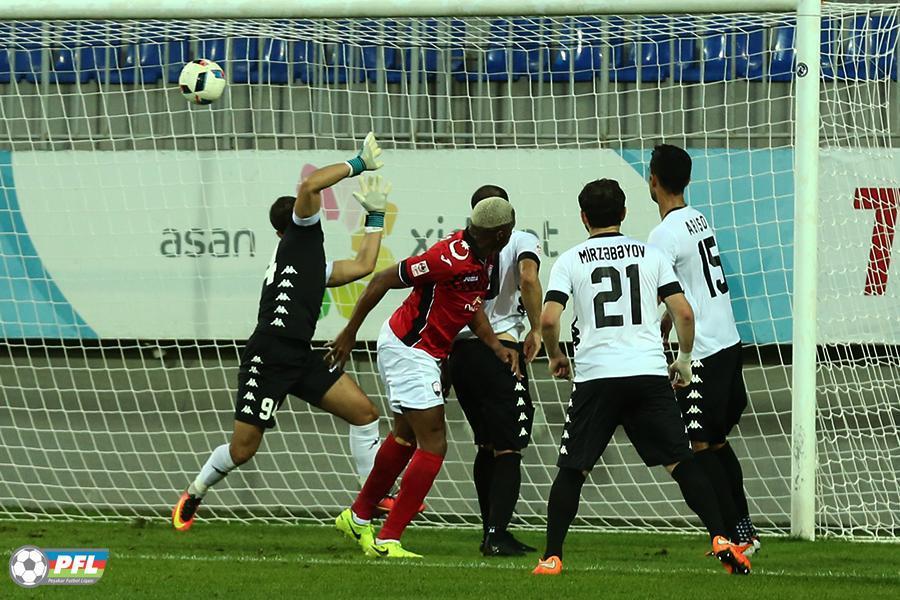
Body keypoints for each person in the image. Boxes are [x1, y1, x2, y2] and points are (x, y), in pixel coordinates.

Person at [532, 179, 751, 576]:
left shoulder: (570, 260)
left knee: (573, 470)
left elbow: (549, 319)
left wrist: (555, 355)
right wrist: (684, 359)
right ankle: (721, 537)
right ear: (624, 213)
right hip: (648, 374)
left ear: (583, 217)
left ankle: (552, 557)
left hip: (597, 377)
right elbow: (684, 313)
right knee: (681, 463)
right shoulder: (651, 255)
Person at [172, 133, 388, 531]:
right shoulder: (299, 235)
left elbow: (362, 266)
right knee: (243, 450)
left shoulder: (312, 262)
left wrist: (376, 217)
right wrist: (357, 163)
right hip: (268, 355)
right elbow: (310, 185)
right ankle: (196, 491)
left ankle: (370, 497)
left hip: (299, 354)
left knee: (364, 414)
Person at [327, 197, 520, 559]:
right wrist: (350, 332)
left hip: (423, 351)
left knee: (405, 435)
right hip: (409, 348)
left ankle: (358, 515)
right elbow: (383, 279)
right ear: (501, 233)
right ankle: (389, 539)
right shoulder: (446, 257)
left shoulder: (484, 257)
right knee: (434, 443)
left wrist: (495, 346)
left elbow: (470, 305)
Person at [647, 144, 759, 552]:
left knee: (698, 446)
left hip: (704, 353)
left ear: (653, 181)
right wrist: (668, 319)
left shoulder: (663, 234)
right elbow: (689, 288)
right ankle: (743, 530)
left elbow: (659, 290)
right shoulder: (698, 219)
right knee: (716, 442)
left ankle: (733, 536)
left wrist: (679, 352)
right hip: (728, 342)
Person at [448, 184, 543, 556]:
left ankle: (489, 531)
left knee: (486, 444)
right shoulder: (520, 238)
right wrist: (536, 329)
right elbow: (529, 278)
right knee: (508, 447)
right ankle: (497, 534)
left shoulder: (457, 245)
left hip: (461, 353)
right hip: (501, 350)